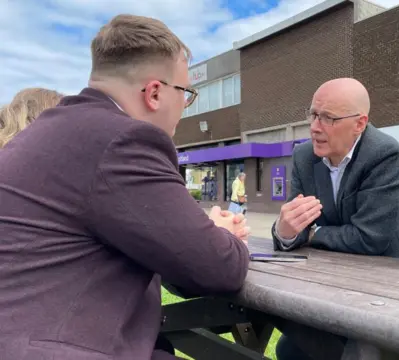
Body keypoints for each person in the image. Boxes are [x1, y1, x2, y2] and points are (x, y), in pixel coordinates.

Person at [0, 14, 250, 360]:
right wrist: (223, 235)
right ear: (155, 93)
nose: (185, 105)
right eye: (187, 93)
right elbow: (219, 267)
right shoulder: (124, 141)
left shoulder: (43, 133)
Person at [271, 77, 399, 359]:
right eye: (313, 114)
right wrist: (284, 230)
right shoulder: (303, 156)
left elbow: (370, 238)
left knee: (354, 353)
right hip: (330, 284)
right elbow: (296, 225)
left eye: (328, 118)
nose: (314, 127)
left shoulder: (384, 154)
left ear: (359, 123)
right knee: (290, 350)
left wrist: (312, 234)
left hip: (385, 290)